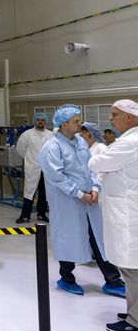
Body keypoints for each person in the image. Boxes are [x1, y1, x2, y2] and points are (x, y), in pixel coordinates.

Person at [37, 105, 126, 297]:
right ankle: (66, 278)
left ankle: (113, 281)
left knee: (98, 239)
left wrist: (94, 188)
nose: (80, 124)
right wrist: (79, 193)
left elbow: (90, 167)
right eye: (76, 121)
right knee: (68, 238)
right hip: (67, 203)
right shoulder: (52, 147)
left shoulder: (80, 142)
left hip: (89, 201)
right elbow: (56, 177)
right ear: (63, 124)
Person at [89, 99, 138, 331]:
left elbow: (96, 161)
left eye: (114, 114)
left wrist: (101, 159)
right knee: (130, 268)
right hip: (126, 211)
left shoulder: (130, 143)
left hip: (128, 214)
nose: (110, 118)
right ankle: (133, 311)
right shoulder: (128, 141)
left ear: (129, 117)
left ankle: (136, 320)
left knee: (132, 268)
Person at [15, 112, 53, 223]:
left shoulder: (50, 135)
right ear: (34, 121)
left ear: (45, 121)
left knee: (44, 193)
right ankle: (25, 215)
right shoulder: (27, 134)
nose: (40, 121)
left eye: (42, 119)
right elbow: (20, 149)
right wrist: (30, 159)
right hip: (32, 167)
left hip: (46, 168)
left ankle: (41, 214)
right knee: (29, 192)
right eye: (38, 119)